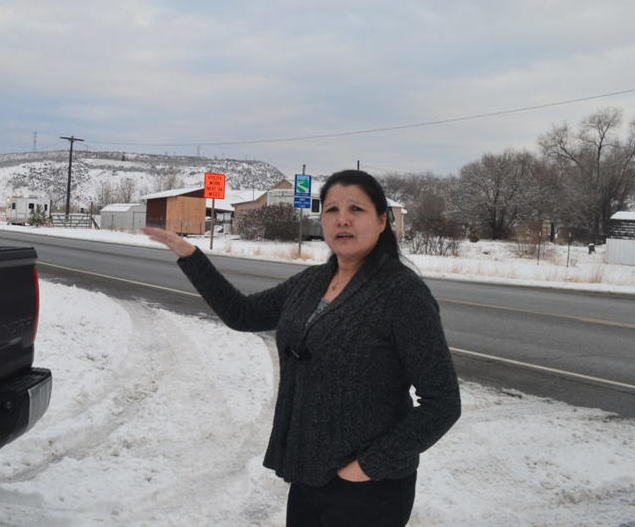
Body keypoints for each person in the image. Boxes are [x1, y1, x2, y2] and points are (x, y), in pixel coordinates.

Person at [142, 169, 460, 526]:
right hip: (309, 474)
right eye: (331, 210)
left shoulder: (402, 294)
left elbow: (443, 403)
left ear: (382, 220)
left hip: (372, 488)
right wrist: (191, 256)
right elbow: (242, 313)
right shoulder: (312, 282)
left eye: (356, 209)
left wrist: (368, 466)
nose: (342, 219)